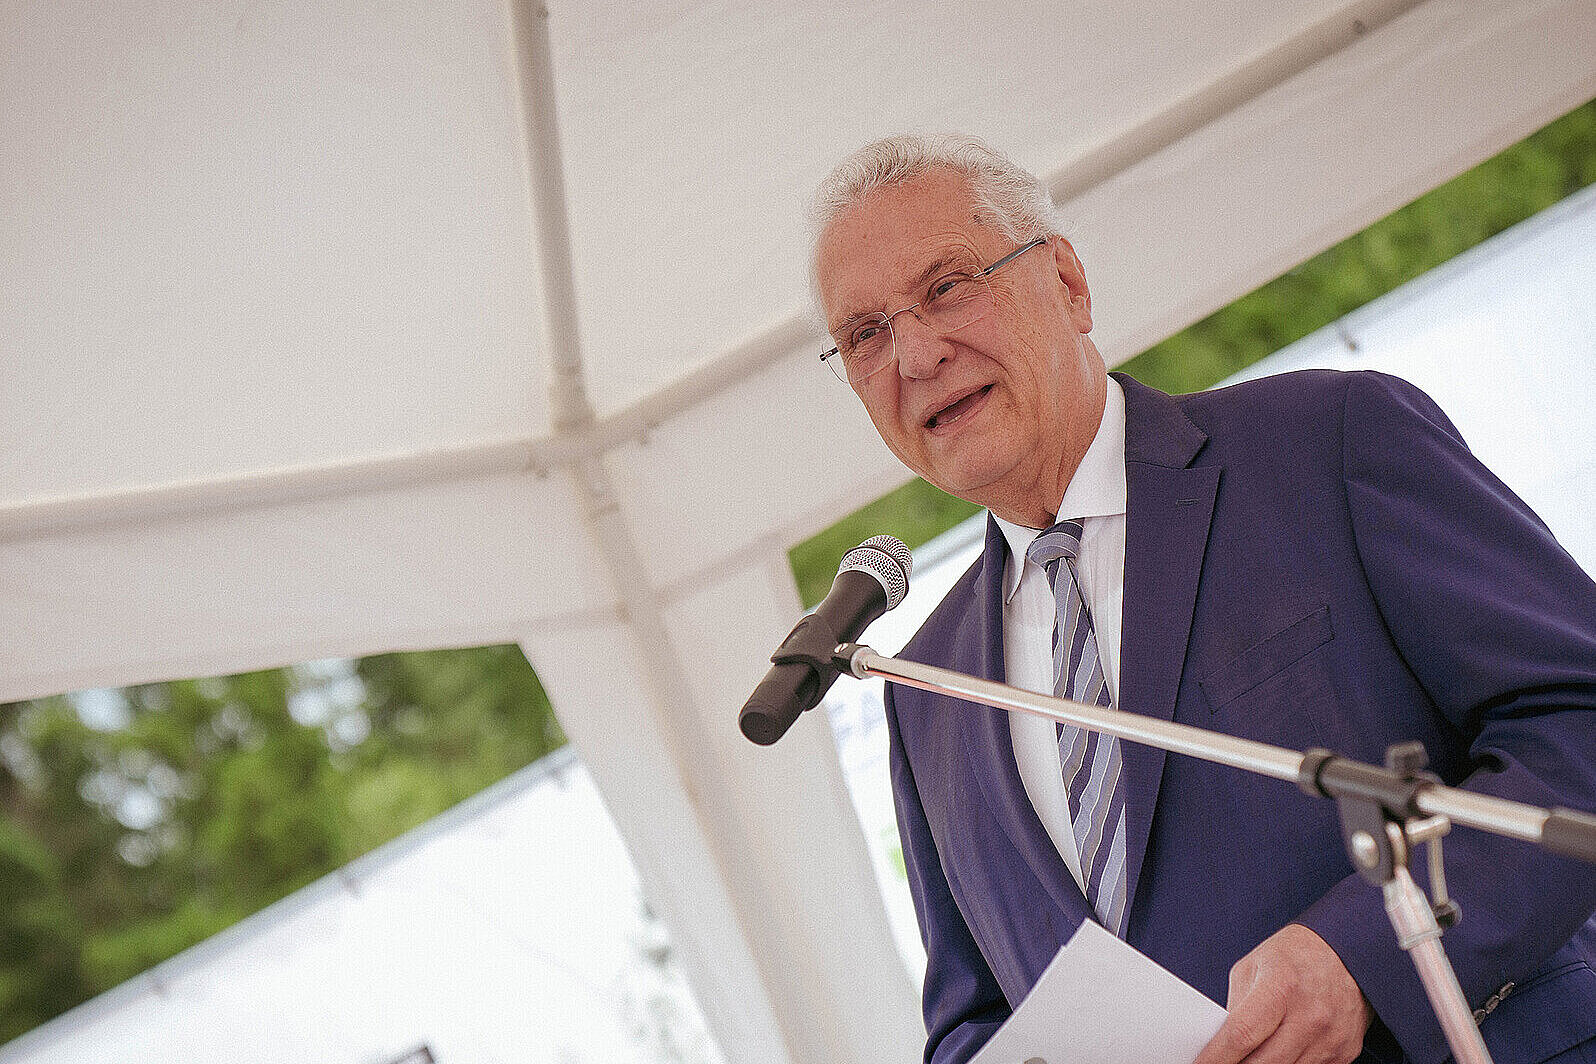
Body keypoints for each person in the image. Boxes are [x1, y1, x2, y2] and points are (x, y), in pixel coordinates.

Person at [810, 134, 1596, 1064]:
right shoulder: (924, 691)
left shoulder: (1329, 445)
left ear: (1066, 282)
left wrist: (1364, 955)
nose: (915, 352)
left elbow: (1578, 722)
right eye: (865, 334)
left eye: (946, 287)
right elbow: (971, 1019)